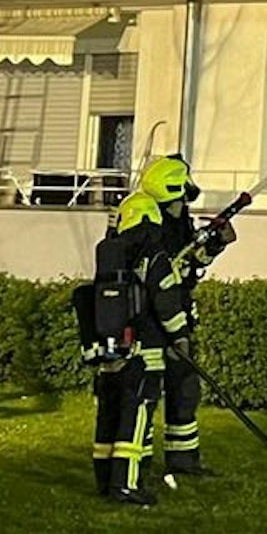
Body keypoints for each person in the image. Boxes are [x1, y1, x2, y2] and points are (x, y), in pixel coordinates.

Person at [79, 174, 188, 507]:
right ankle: (125, 485)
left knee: (108, 419)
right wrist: (180, 337)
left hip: (110, 353)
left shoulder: (110, 257)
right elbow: (166, 299)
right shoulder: (153, 257)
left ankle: (104, 480)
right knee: (135, 419)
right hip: (145, 356)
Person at [140, 153, 236, 480]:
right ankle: (133, 464)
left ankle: (183, 462)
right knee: (144, 393)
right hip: (150, 322)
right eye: (182, 192)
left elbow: (190, 267)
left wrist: (214, 244)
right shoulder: (145, 224)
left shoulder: (179, 222)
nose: (186, 199)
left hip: (176, 316)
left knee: (184, 389)